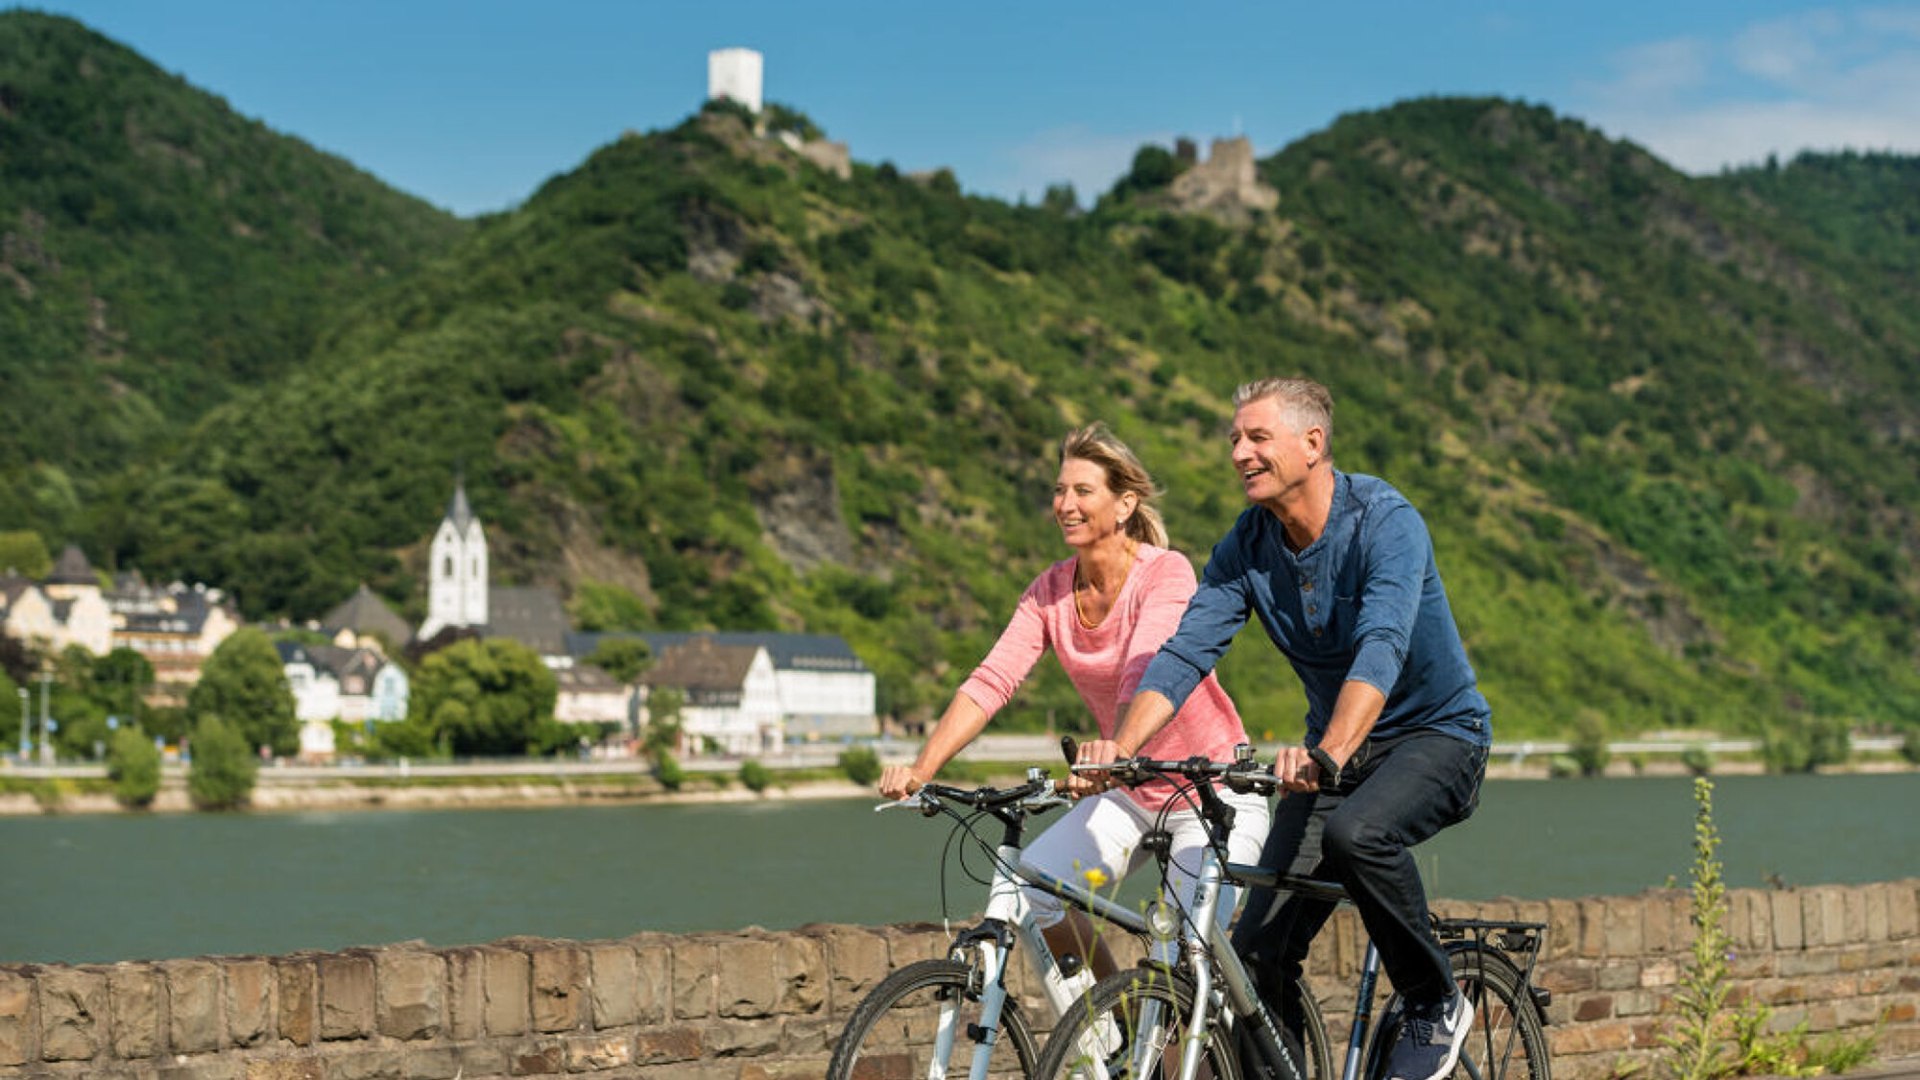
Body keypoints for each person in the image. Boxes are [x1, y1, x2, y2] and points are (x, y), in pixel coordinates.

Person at [1075, 378, 1492, 1080]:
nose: (1239, 452)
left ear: (1313, 444)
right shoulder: (1248, 544)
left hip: (1438, 736)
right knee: (1255, 958)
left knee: (1356, 834)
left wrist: (1327, 753)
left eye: (1257, 437)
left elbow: (1382, 646)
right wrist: (1121, 748)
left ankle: (1434, 1001)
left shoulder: (1385, 522)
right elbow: (1185, 653)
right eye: (1234, 439)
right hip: (1339, 755)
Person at [879, 423, 1271, 977]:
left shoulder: (1165, 572)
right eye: (1060, 491)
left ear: (1124, 504)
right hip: (1132, 791)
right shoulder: (1049, 592)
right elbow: (992, 679)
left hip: (1212, 791)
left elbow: (1147, 665)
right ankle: (1112, 1021)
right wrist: (923, 769)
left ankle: (1187, 1022)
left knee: (1182, 960)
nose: (1065, 504)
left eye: (1083, 491)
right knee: (1030, 889)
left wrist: (1114, 749)